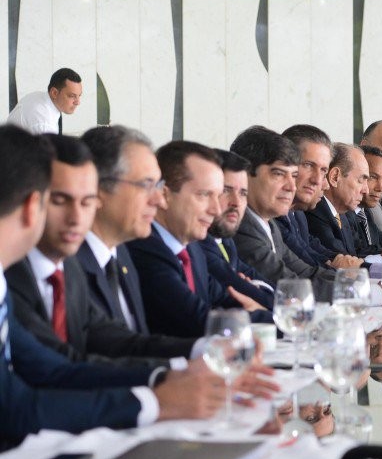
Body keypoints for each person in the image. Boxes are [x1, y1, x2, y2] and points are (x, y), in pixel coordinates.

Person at [0, 125, 229, 459]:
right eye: (59, 201)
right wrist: (153, 403)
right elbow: (18, 405)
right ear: (35, 206)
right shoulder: (17, 277)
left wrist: (167, 379)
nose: (75, 218)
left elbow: (53, 368)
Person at [5, 135, 195, 364]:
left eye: (86, 202)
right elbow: (56, 369)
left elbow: (116, 340)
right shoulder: (12, 274)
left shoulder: (72, 266)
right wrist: (164, 377)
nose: (76, 218)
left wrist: (203, 352)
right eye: (59, 200)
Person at [126, 141, 269, 338]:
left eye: (217, 195)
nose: (216, 209)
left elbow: (225, 300)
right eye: (204, 195)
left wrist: (278, 318)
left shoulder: (192, 250)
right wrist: (285, 321)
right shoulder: (145, 247)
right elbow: (198, 320)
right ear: (165, 195)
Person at [229, 126, 337, 301]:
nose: (291, 187)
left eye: (294, 175)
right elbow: (288, 286)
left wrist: (361, 285)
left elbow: (306, 272)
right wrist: (366, 292)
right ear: (244, 175)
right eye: (279, 174)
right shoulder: (241, 225)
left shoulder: (269, 223)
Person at [77, 126, 164, 333]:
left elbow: (135, 345)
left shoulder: (121, 253)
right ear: (98, 189)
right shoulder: (68, 265)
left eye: (158, 185)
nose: (159, 200)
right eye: (146, 185)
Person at [198, 149, 276, 310]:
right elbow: (238, 286)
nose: (236, 202)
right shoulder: (199, 243)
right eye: (226, 190)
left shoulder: (225, 240)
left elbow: (253, 278)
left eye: (242, 193)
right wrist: (287, 310)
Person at [279, 124, 359, 269]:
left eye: (323, 170)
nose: (318, 180)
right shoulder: (274, 216)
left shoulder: (298, 213)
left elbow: (310, 249)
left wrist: (333, 262)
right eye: (309, 165)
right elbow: (303, 268)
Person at [305, 142, 368, 258]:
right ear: (334, 177)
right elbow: (341, 260)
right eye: (360, 180)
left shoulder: (344, 213)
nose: (366, 190)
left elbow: (357, 253)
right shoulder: (314, 211)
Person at [7, 68, 82, 135]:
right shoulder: (43, 124)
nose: (78, 102)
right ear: (54, 93)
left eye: (79, 95)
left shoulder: (38, 97)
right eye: (72, 96)